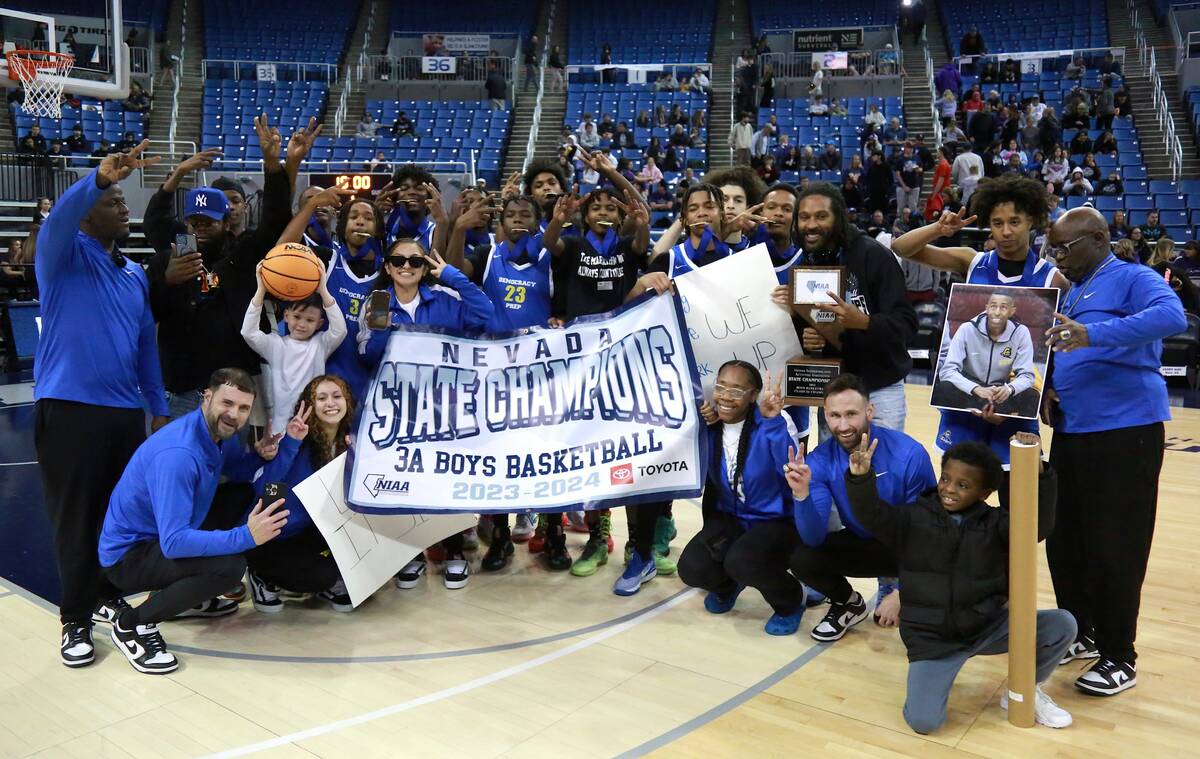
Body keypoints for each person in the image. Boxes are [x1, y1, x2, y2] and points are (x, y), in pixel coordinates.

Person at [832, 431, 1074, 733]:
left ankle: (1024, 690)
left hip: (986, 627)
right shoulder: (913, 518)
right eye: (945, 479)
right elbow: (872, 515)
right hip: (933, 640)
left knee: (1062, 625)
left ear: (985, 492)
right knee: (924, 722)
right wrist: (859, 477)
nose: (949, 489)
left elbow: (1036, 527)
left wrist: (1037, 468)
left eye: (963, 485)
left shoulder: (996, 524)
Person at [33, 143, 171, 668]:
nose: (124, 208)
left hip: (122, 415)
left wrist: (156, 408)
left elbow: (144, 348)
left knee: (119, 519)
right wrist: (95, 179)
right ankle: (73, 618)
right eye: (114, 202)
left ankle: (109, 599)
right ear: (89, 211)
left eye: (121, 201)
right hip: (67, 408)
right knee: (75, 519)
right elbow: (59, 219)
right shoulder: (61, 255)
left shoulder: (134, 275)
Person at [1043, 207, 1188, 695]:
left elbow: (1171, 316)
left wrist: (1093, 333)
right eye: (1054, 249)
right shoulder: (1073, 287)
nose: (1058, 257)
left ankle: (1119, 655)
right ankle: (1081, 633)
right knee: (1067, 542)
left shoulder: (1132, 277)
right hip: (1073, 430)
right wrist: (1048, 389)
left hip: (1126, 432)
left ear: (1099, 239)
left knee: (1115, 545)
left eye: (1065, 248)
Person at [98, 368, 292, 674]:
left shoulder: (217, 432)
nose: (234, 414)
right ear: (207, 397)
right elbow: (174, 543)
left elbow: (238, 471)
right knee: (230, 568)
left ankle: (188, 599)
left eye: (243, 408)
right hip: (128, 557)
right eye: (227, 403)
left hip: (162, 536)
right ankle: (132, 625)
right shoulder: (179, 455)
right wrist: (247, 536)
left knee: (241, 494)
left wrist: (258, 456)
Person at [891, 174, 1066, 461]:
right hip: (964, 407)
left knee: (1016, 497)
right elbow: (902, 248)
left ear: (1031, 221)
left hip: (1017, 408)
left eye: (1015, 221)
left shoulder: (1052, 278)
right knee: (959, 493)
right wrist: (938, 228)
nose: (1006, 231)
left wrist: (1037, 392)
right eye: (998, 223)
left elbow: (1051, 352)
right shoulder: (971, 260)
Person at [358, 238, 494, 588]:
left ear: (425, 267)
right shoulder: (374, 303)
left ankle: (453, 552)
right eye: (398, 260)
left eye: (415, 261)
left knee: (444, 482)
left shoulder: (446, 298)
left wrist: (452, 275)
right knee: (405, 484)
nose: (406, 266)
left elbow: (486, 314)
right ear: (387, 266)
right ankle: (411, 556)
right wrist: (380, 330)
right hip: (397, 409)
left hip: (445, 408)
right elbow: (368, 357)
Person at [144, 124, 303, 419]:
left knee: (232, 465)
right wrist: (167, 281)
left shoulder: (242, 253)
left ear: (225, 223)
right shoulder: (170, 258)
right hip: (182, 389)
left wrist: (272, 165)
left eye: (208, 222)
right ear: (186, 224)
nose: (200, 228)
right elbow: (148, 311)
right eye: (194, 222)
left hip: (234, 388)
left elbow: (275, 221)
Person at [787, 374, 937, 639]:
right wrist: (802, 495)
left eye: (851, 414)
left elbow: (930, 531)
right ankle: (849, 603)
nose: (843, 425)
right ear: (825, 415)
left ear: (870, 411)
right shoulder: (820, 460)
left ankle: (899, 590)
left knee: (925, 627)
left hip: (912, 549)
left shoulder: (910, 454)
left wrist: (905, 592)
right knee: (802, 557)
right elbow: (814, 537)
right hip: (866, 542)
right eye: (834, 416)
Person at [677, 361, 818, 633]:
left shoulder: (773, 422)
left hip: (776, 521)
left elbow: (787, 466)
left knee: (742, 561)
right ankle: (729, 585)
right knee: (691, 569)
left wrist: (772, 422)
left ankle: (790, 600)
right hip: (734, 517)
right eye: (721, 387)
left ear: (753, 395)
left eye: (737, 390)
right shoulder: (710, 425)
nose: (726, 396)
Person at [776, 183, 917, 432]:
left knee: (883, 468)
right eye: (804, 217)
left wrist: (864, 322)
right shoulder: (805, 265)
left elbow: (907, 325)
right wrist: (808, 338)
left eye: (821, 216)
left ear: (838, 217)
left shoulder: (874, 255)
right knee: (835, 470)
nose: (811, 225)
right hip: (833, 390)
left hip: (880, 389)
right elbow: (814, 329)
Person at [244, 375, 356, 612]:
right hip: (276, 537)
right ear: (310, 406)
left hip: (314, 530)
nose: (331, 403)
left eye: (337, 396)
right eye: (321, 398)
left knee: (362, 564)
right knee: (322, 576)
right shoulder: (296, 442)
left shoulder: (350, 443)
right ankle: (262, 575)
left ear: (347, 401)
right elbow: (263, 488)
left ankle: (317, 576)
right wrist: (291, 443)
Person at [240, 259, 346, 434]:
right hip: (280, 427)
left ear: (320, 323)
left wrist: (323, 290)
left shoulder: (320, 344)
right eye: (297, 317)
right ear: (287, 316)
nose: (302, 324)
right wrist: (261, 291)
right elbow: (248, 332)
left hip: (314, 425)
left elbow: (340, 330)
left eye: (310, 320)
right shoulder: (275, 344)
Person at [931, 291, 1040, 417]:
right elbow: (947, 371)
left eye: (1003, 307)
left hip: (998, 393)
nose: (997, 312)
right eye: (993, 306)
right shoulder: (967, 329)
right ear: (987, 308)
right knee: (944, 388)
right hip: (969, 390)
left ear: (1012, 311)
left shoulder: (1021, 333)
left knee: (1031, 395)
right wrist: (975, 388)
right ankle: (951, 425)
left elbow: (1027, 376)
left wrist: (1009, 389)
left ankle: (1019, 433)